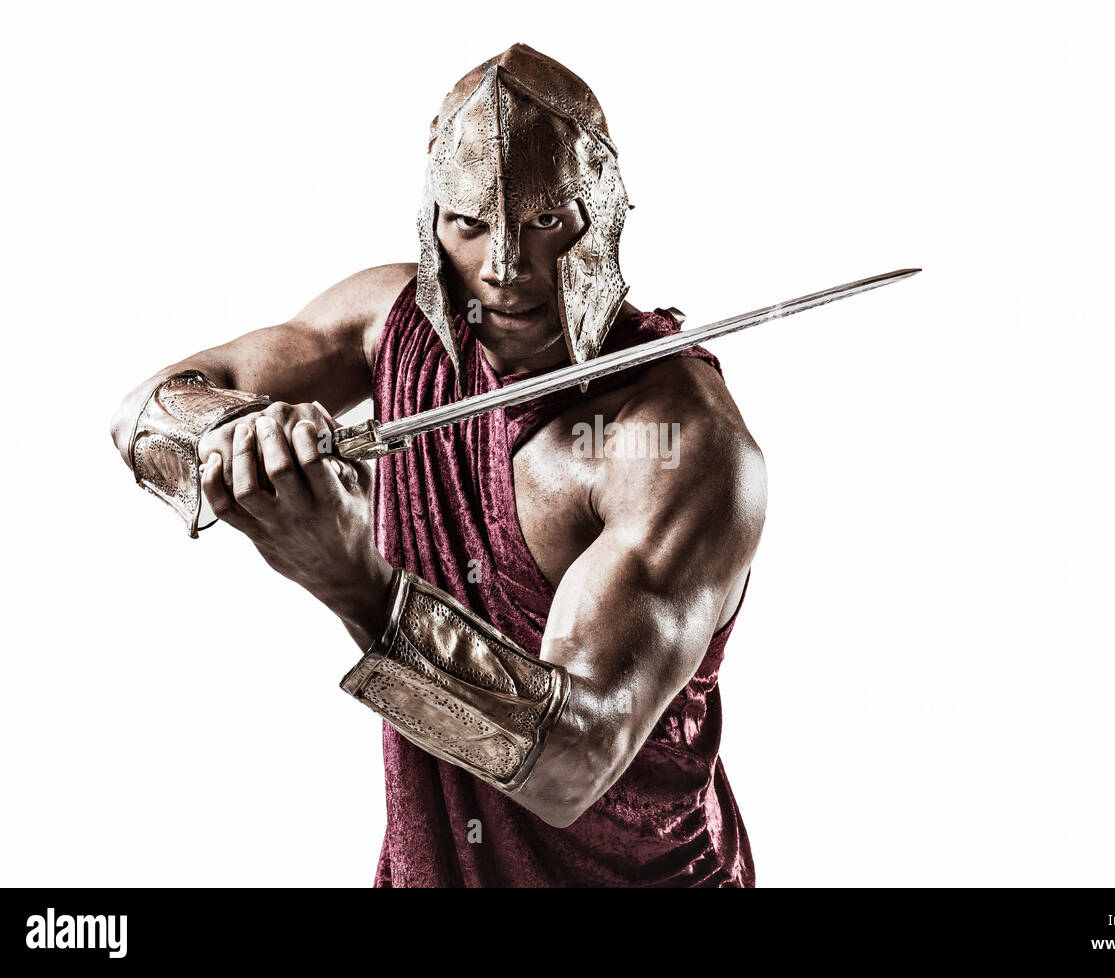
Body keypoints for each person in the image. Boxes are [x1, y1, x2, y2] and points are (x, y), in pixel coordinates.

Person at [110, 43, 766, 887]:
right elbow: (147, 409)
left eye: (540, 222)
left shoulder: (681, 444)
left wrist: (355, 580)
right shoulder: (386, 325)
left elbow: (575, 765)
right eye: (471, 224)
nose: (503, 268)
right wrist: (243, 434)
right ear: (432, 224)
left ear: (599, 215)